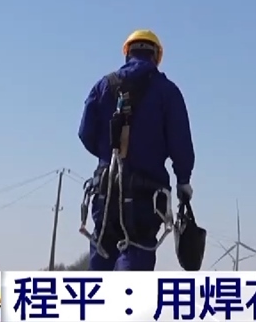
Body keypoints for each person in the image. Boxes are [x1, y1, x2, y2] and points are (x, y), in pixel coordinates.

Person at [79, 29, 195, 271]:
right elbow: (180, 143)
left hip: (105, 192)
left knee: (101, 254)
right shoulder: (168, 92)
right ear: (157, 56)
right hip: (145, 197)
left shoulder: (103, 86)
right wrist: (183, 181)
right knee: (136, 256)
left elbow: (85, 133)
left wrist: (106, 155)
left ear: (127, 53)